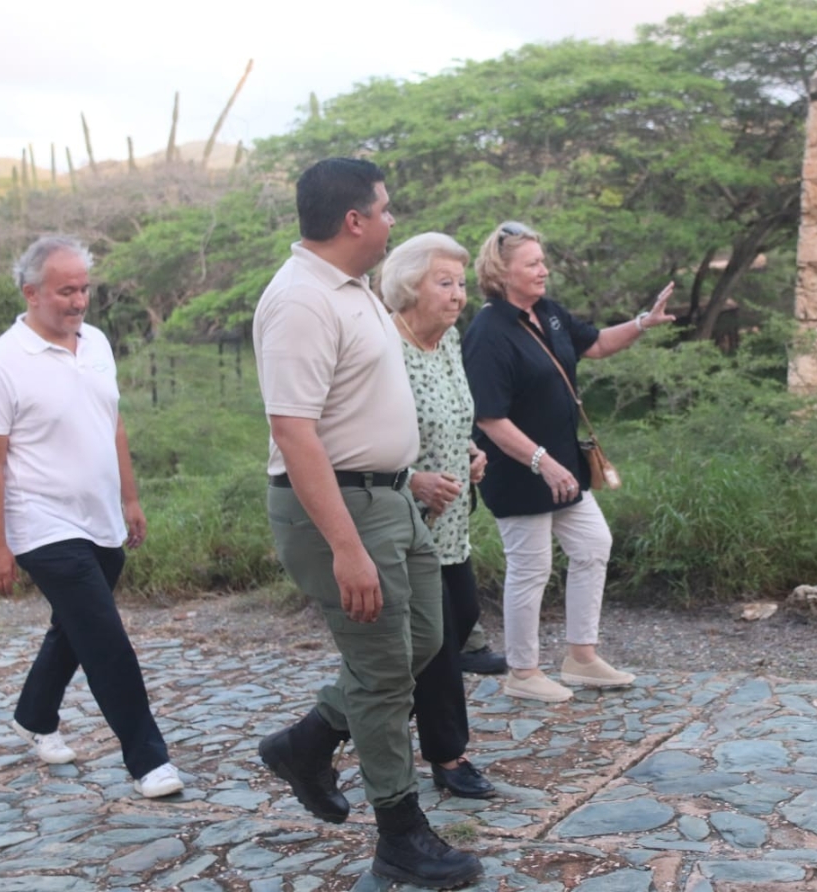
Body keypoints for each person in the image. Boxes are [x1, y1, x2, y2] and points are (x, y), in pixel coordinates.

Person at [252, 158, 482, 890]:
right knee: (384, 675)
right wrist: (346, 548)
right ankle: (400, 835)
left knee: (425, 639)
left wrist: (407, 474)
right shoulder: (299, 302)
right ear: (354, 221)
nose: (392, 220)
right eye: (384, 210)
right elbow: (295, 433)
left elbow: (360, 407)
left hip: (391, 497)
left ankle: (309, 738)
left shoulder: (353, 293)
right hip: (343, 510)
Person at [0, 235, 183, 799]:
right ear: (32, 293)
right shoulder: (0, 365)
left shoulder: (98, 345)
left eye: (85, 288)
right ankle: (149, 759)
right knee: (105, 637)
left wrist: (130, 498)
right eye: (67, 291)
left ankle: (34, 715)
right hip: (40, 523)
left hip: (100, 517)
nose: (80, 300)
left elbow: (110, 423)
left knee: (75, 627)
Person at [462, 221, 675, 703]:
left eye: (542, 261)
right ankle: (523, 671)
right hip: (519, 472)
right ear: (502, 271)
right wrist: (541, 461)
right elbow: (490, 419)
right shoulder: (487, 332)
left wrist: (642, 322)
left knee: (594, 544)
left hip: (561, 468)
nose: (545, 270)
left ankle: (581, 657)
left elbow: (595, 343)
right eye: (533, 263)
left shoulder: (548, 313)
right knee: (531, 568)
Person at [379, 232, 496, 800]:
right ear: (408, 286)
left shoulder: (448, 342)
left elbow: (454, 417)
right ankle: (450, 759)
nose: (458, 296)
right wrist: (413, 479)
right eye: (444, 283)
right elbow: (356, 441)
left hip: (451, 524)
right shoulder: (384, 347)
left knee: (457, 620)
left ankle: (324, 732)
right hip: (401, 521)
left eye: (461, 284)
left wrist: (470, 453)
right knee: (438, 642)